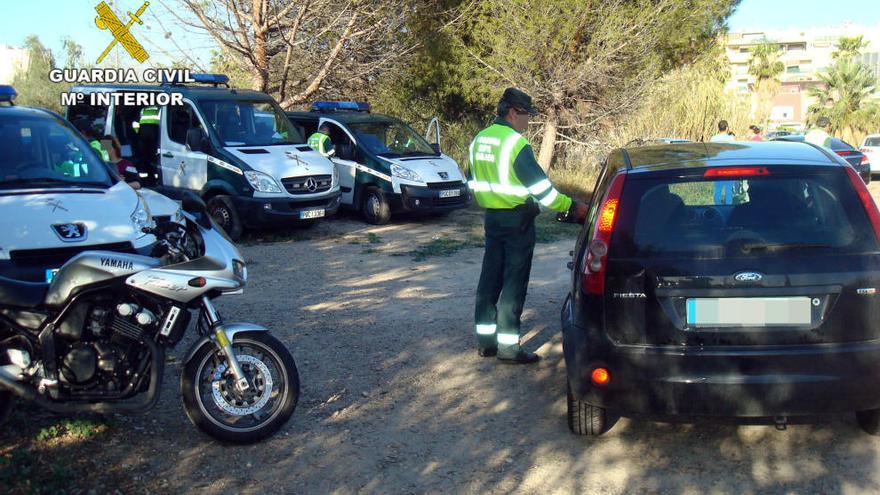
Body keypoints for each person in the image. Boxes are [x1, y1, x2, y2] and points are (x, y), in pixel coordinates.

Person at [468, 88, 588, 364]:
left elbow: (472, 183)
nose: (528, 122)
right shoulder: (515, 144)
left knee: (490, 279)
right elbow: (544, 192)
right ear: (513, 112)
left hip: (492, 218)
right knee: (513, 283)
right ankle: (509, 349)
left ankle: (486, 343)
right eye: (526, 116)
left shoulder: (479, 140)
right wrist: (572, 207)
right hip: (517, 220)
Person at [710, 120, 735, 204]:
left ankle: (717, 206)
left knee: (718, 189)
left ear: (718, 128)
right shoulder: (731, 139)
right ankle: (728, 208)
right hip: (729, 167)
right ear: (727, 128)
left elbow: (711, 153)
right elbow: (733, 153)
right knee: (729, 190)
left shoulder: (713, 139)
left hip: (717, 167)